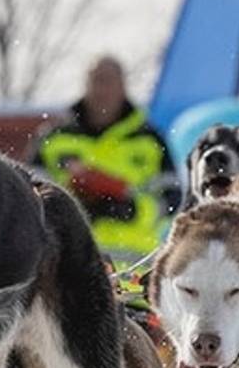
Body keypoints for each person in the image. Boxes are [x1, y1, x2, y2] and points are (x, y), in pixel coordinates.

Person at [31, 55, 180, 271]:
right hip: (67, 271)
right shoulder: (53, 137)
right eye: (96, 80)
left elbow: (172, 200)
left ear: (122, 86)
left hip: (133, 274)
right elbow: (29, 196)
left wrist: (132, 209)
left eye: (108, 81)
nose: (102, 90)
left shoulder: (150, 140)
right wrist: (72, 207)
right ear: (85, 84)